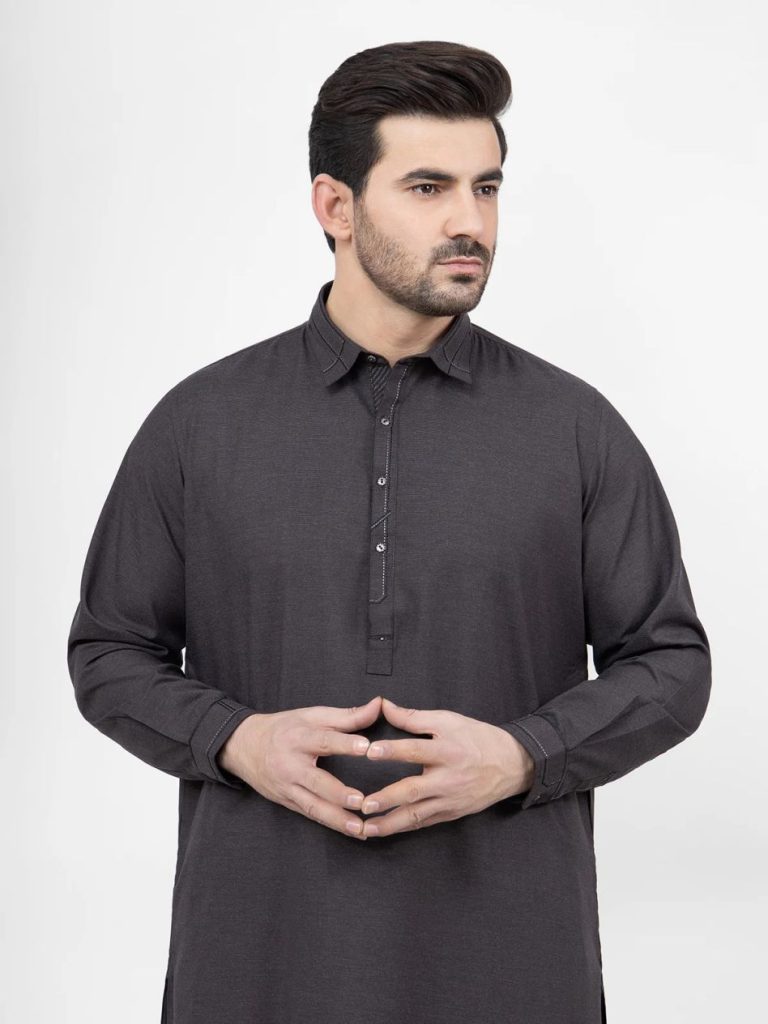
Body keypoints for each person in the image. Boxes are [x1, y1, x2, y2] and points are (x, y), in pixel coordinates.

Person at [67, 39, 712, 1024]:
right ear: (335, 206)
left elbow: (671, 664)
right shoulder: (201, 425)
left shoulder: (574, 428)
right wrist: (236, 739)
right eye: (427, 187)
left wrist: (525, 754)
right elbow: (109, 652)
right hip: (257, 972)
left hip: (513, 974)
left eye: (486, 187)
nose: (470, 222)